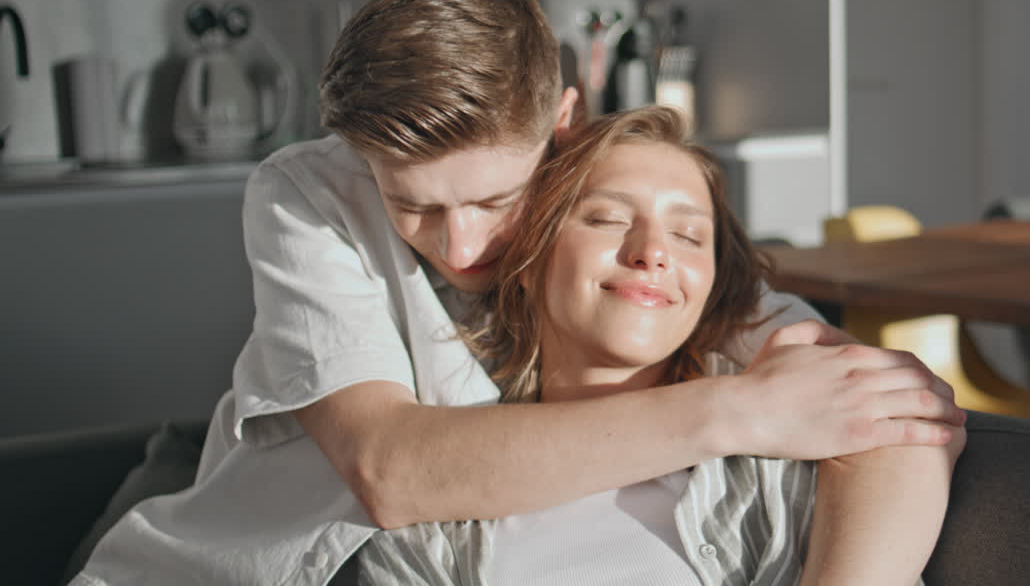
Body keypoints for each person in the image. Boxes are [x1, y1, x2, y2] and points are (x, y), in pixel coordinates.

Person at [73, 0, 962, 585]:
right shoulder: (308, 193)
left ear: (564, 124)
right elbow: (392, 472)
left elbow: (885, 411)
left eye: (497, 199)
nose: (461, 248)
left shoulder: (607, 204)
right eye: (414, 206)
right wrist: (739, 410)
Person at [358, 106, 963, 585]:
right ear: (526, 259)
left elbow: (909, 420)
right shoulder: (439, 524)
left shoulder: (790, 467)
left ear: (712, 286)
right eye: (607, 218)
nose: (653, 251)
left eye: (687, 234)